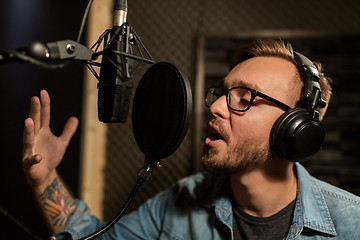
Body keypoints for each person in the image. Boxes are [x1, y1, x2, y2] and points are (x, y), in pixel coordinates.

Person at [22, 39, 360, 240]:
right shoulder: (177, 204)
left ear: (295, 127)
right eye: (221, 93)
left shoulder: (352, 224)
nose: (213, 107)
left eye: (243, 97)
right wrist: (44, 178)